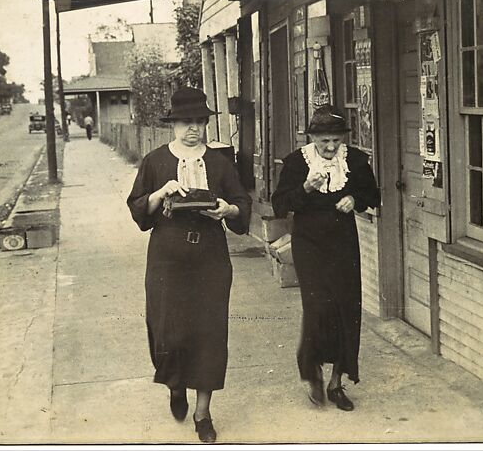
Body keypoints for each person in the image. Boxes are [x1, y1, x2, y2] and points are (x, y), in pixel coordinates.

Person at [126, 87, 251, 443]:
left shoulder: (221, 162)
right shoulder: (155, 161)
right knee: (167, 331)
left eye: (199, 121)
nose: (193, 128)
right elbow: (138, 209)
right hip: (166, 260)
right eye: (185, 122)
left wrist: (227, 210)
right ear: (173, 125)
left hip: (210, 260)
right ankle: (175, 384)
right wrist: (159, 194)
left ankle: (203, 412)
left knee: (209, 334)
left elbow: (242, 205)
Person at [271, 105, 380, 411]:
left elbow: (374, 195)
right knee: (317, 308)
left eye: (335, 141)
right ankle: (311, 371)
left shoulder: (355, 160)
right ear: (313, 139)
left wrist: (354, 198)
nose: (330, 148)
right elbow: (279, 204)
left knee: (345, 309)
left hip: (343, 242)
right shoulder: (296, 163)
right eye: (324, 142)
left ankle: (335, 384)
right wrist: (305, 188)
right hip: (309, 243)